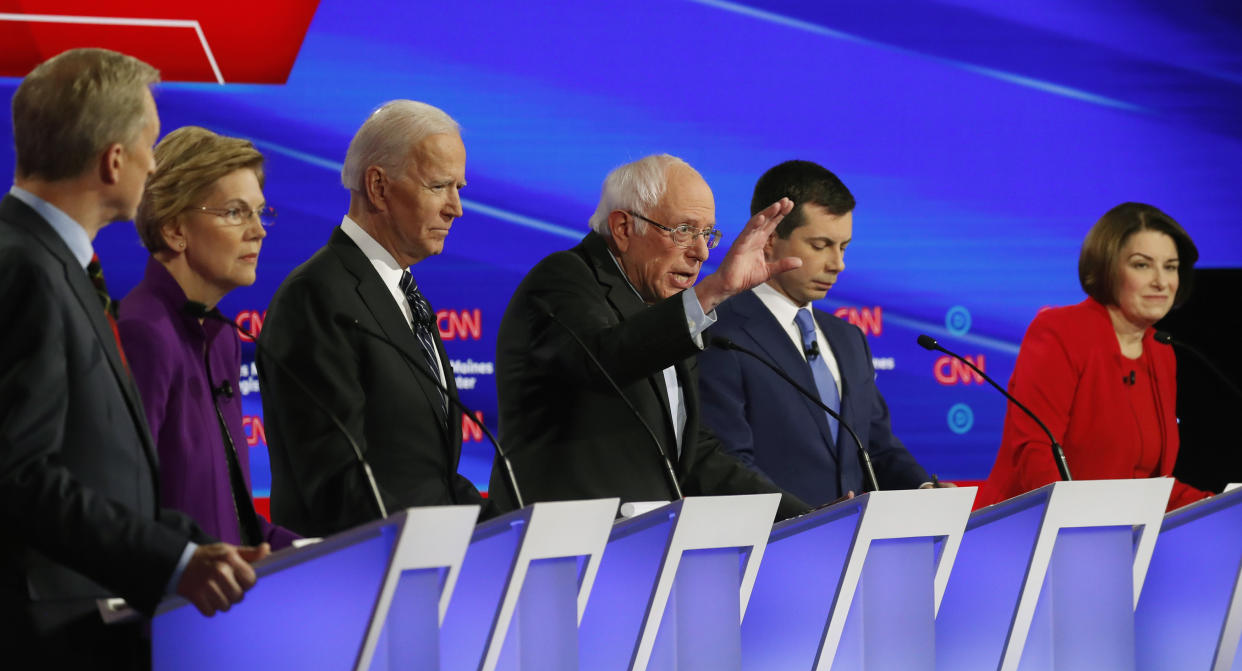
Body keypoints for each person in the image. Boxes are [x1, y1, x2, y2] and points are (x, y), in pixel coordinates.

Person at [0, 48, 267, 671]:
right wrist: (173, 559)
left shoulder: (60, 267)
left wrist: (196, 546)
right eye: (149, 142)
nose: (155, 161)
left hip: (88, 626)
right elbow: (19, 475)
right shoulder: (23, 268)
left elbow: (99, 468)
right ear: (113, 160)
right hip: (49, 638)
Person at [489, 153, 810, 519]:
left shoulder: (663, 311)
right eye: (684, 230)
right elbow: (605, 359)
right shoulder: (563, 279)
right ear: (624, 228)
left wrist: (805, 517)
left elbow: (694, 458)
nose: (702, 252)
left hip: (641, 550)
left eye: (707, 234)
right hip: (562, 546)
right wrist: (712, 291)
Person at [259, 100, 484, 538]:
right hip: (357, 580)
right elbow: (338, 483)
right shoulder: (318, 296)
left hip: (421, 568)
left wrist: (502, 527)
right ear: (378, 187)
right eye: (439, 186)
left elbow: (425, 474)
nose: (455, 208)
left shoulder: (403, 292)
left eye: (459, 188)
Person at [698, 161, 942, 505]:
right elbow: (728, 462)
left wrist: (924, 491)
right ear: (769, 238)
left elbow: (876, 445)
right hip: (774, 545)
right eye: (820, 245)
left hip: (853, 548)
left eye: (843, 247)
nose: (837, 264)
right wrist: (810, 522)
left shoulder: (849, 339)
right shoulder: (720, 332)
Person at [118, 126, 299, 550]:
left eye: (259, 212)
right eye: (236, 212)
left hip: (223, 600)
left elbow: (231, 519)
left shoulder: (220, 338)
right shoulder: (142, 333)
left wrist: (326, 554)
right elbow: (126, 511)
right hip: (174, 603)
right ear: (174, 229)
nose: (259, 231)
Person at [975, 202, 1213, 511]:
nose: (1161, 281)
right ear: (1106, 268)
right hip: (1035, 534)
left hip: (1120, 538)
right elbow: (1035, 456)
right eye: (1142, 265)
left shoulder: (1161, 350)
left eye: (1170, 266)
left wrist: (1217, 505)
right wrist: (1080, 529)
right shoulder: (1060, 332)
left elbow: (1150, 485)